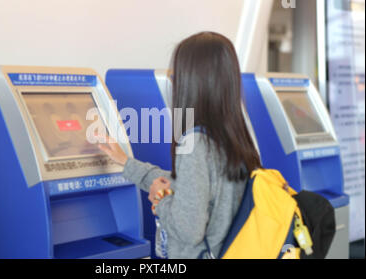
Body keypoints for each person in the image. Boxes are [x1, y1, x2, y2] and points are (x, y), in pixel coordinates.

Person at [97, 31, 262, 259]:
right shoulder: (235, 138)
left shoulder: (196, 144)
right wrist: (127, 164)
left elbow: (188, 230)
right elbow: (196, 186)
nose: (174, 83)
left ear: (192, 82)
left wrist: (161, 199)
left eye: (176, 76)